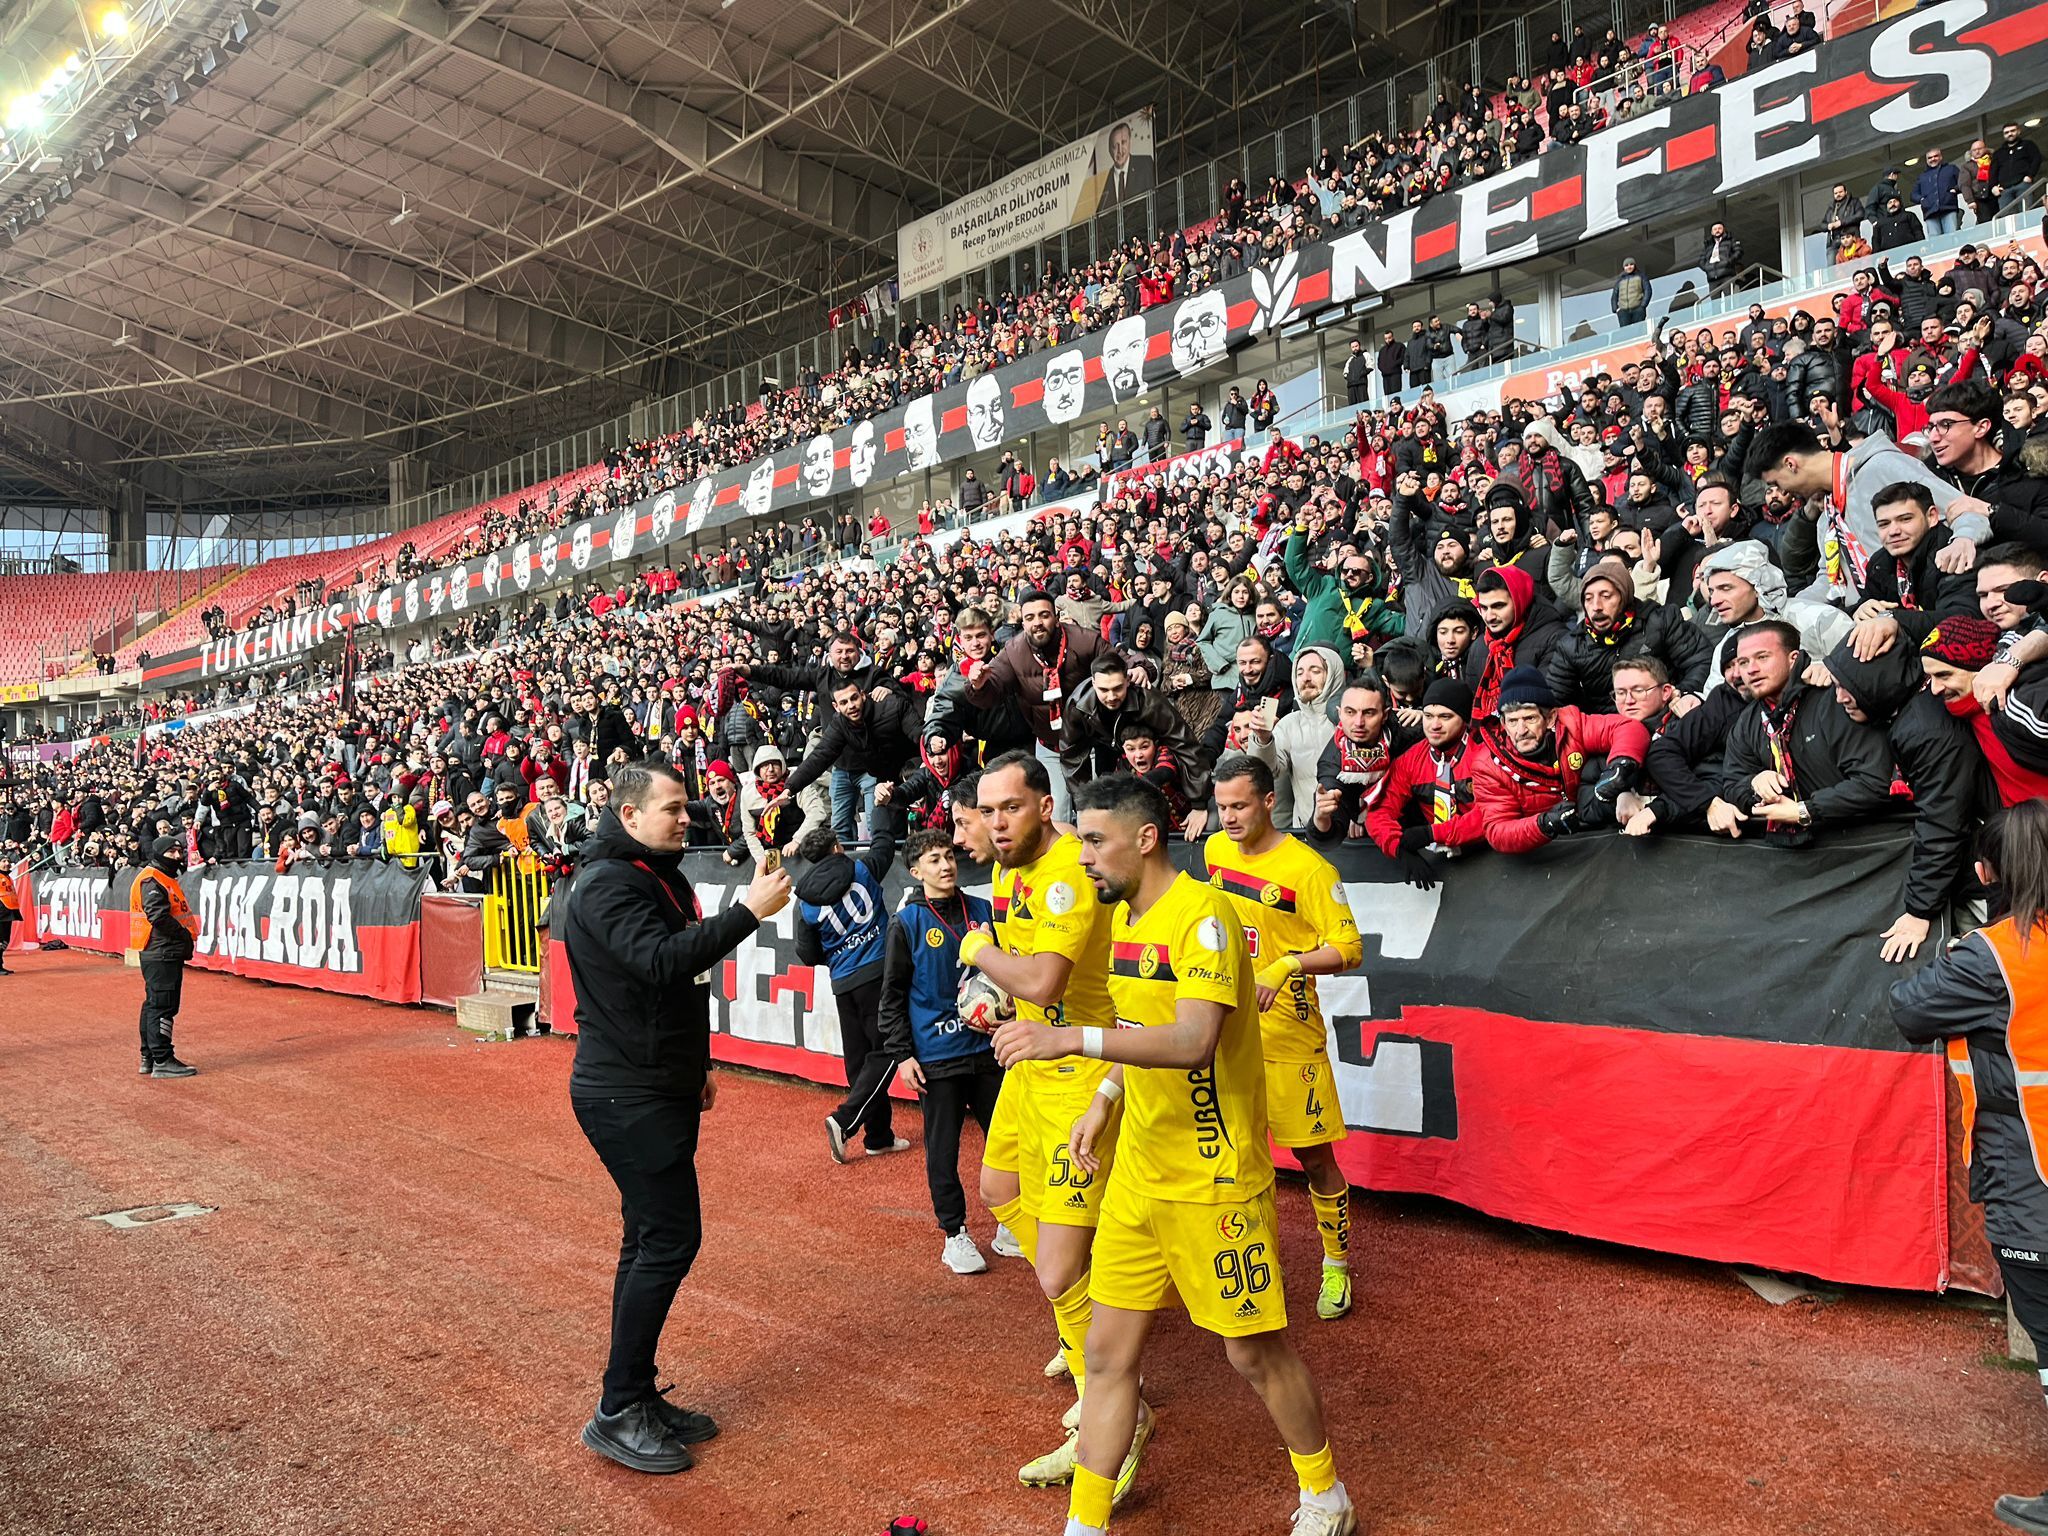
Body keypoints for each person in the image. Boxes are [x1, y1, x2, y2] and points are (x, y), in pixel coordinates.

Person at [996, 773, 1357, 1536]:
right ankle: (1084, 1525)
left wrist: (1070, 1040)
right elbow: (1137, 1031)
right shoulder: (1126, 917)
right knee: (1105, 1355)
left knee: (1254, 1355)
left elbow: (1193, 1041)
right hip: (1138, 1173)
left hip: (1213, 1180)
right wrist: (1102, 1101)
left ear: (1146, 838)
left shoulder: (1205, 917)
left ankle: (1325, 1493)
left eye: (1094, 840)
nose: (1083, 856)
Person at [560, 760, 793, 1476]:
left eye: (685, 806)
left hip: (656, 1083)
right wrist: (749, 912)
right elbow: (660, 963)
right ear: (628, 816)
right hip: (623, 1093)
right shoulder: (606, 883)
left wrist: (696, 1068)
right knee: (668, 1240)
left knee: (648, 1240)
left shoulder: (654, 872)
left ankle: (631, 1395)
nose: (684, 816)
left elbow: (673, 987)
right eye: (670, 808)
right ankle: (617, 1408)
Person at [961, 751, 1150, 1497]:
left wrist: (979, 950)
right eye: (987, 809)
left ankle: (1116, 1403)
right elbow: (1029, 981)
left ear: (1044, 807)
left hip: (1082, 1075)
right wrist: (1002, 1002)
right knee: (997, 1186)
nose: (995, 823)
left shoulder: (1070, 868)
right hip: (1030, 1059)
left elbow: (1043, 976)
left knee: (1058, 1267)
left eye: (1010, 807)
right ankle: (1086, 1343)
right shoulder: (1012, 867)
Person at [1890, 802, 2048, 1536]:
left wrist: (1955, 940)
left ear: (1986, 874)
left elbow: (1910, 1008)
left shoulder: (1990, 956)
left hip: (2032, 1181)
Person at [1205, 756, 1365, 1321]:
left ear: (1269, 802)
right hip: (1228, 1033)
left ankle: (1337, 1263)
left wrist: (1288, 964)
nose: (1227, 818)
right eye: (1221, 806)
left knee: (1314, 1158)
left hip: (1291, 1039)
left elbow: (1348, 948)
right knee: (1237, 1158)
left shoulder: (1310, 871)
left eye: (1239, 806)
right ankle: (1252, 1262)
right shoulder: (1215, 852)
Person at [880, 826, 1004, 1275]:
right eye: (933, 859)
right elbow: (891, 995)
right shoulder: (906, 922)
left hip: (989, 1049)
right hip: (937, 1055)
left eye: (948, 855)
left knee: (1007, 1140)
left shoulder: (983, 909)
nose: (946, 864)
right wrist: (903, 1055)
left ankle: (1010, 1223)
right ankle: (955, 1233)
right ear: (915, 871)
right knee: (943, 1149)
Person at [1715, 621, 1894, 847]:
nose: (1751, 669)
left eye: (1762, 657)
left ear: (1793, 659)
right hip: (1800, 855)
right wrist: (1754, 783)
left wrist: (1804, 810)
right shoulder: (1747, 721)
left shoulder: (1834, 698)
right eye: (1743, 662)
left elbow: (1875, 783)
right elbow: (1732, 785)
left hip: (1871, 841)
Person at [793, 815, 907, 1162]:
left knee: (860, 1060)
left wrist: (838, 956)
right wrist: (885, 812)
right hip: (880, 973)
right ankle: (845, 1121)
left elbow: (807, 953)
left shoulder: (805, 901)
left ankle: (879, 1136)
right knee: (890, 1048)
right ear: (837, 847)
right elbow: (885, 847)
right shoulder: (863, 869)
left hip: (843, 983)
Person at [1472, 669, 1650, 853]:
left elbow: (1629, 728)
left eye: (1529, 718)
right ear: (1503, 724)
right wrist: (1544, 823)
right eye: (1512, 721)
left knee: (1597, 765)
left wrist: (1620, 765)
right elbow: (1498, 831)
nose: (1521, 730)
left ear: (1550, 718)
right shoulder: (1487, 765)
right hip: (1546, 852)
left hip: (1594, 829)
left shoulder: (1571, 723)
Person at [130, 834, 199, 1077]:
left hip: (158, 950)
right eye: (172, 852)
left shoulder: (161, 877)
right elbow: (157, 916)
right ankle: (162, 1059)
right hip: (162, 950)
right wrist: (182, 935)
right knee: (162, 1005)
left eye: (179, 852)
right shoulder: (152, 879)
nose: (177, 857)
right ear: (159, 853)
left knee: (153, 1004)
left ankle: (149, 1056)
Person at [0, 854, 18, 974]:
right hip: (1, 912)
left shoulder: (8, 877)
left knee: (5, 940)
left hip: (8, 911)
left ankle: (0, 965)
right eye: (3, 861)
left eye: (8, 861)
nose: (7, 863)